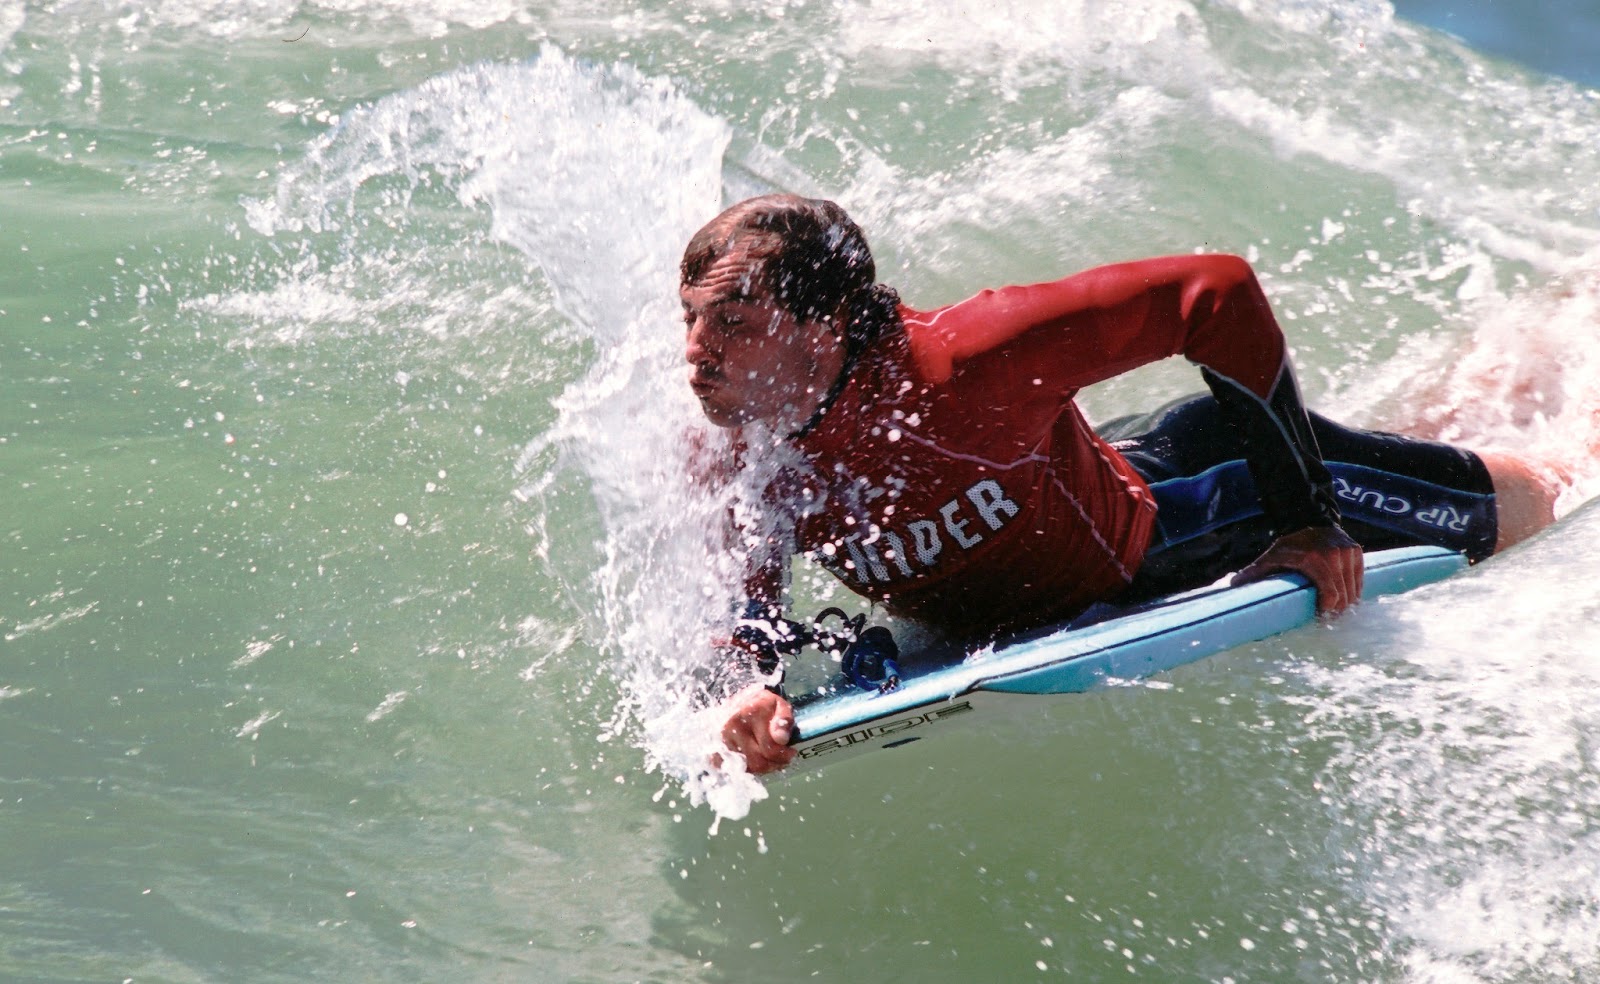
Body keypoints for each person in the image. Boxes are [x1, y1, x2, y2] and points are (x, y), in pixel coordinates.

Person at [680, 194, 1565, 775]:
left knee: (1535, 501)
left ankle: (1568, 372)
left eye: (732, 322)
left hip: (1205, 502)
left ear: (826, 324)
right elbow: (746, 599)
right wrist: (753, 686)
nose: (695, 356)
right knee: (1424, 437)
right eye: (689, 320)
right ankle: (1478, 386)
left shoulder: (967, 360)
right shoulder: (735, 448)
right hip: (1078, 479)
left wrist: (1305, 518)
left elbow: (1214, 293)